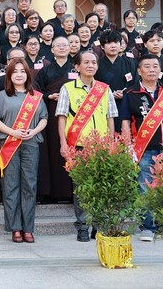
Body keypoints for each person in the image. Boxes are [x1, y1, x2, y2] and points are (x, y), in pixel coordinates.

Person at [56, 51, 117, 242]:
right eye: (86, 62)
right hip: (78, 145)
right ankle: (82, 226)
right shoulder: (68, 88)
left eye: (94, 63)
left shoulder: (104, 89)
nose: (91, 65)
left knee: (100, 187)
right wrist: (63, 143)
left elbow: (110, 117)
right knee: (81, 188)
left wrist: (111, 142)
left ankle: (98, 226)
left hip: (100, 146)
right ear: (77, 66)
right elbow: (62, 117)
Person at [0, 58, 48, 243]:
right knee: (10, 186)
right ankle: (15, 228)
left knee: (29, 186)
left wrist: (33, 131)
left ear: (28, 74)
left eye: (22, 71)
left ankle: (28, 228)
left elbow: (44, 119)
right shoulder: (2, 96)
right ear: (9, 75)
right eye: (15, 71)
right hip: (8, 143)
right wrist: (13, 132)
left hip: (31, 143)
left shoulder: (36, 96)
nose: (19, 74)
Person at [120, 54, 162, 242]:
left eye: (155, 66)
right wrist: (129, 147)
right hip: (144, 148)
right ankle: (148, 226)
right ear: (139, 71)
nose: (152, 69)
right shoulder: (131, 93)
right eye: (147, 66)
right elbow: (126, 122)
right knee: (145, 188)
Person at [34, 36, 75, 201]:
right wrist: (49, 95)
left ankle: (70, 191)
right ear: (52, 50)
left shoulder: (74, 68)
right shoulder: (45, 70)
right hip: (51, 113)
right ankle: (52, 192)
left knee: (70, 147)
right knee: (52, 149)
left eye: (65, 45)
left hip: (71, 114)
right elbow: (36, 91)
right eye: (58, 46)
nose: (62, 48)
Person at [95, 30, 138, 132]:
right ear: (102, 47)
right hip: (104, 105)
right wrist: (109, 94)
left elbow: (136, 84)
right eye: (109, 43)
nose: (113, 46)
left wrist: (126, 93)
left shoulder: (130, 63)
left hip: (125, 104)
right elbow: (94, 85)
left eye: (116, 42)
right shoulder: (97, 65)